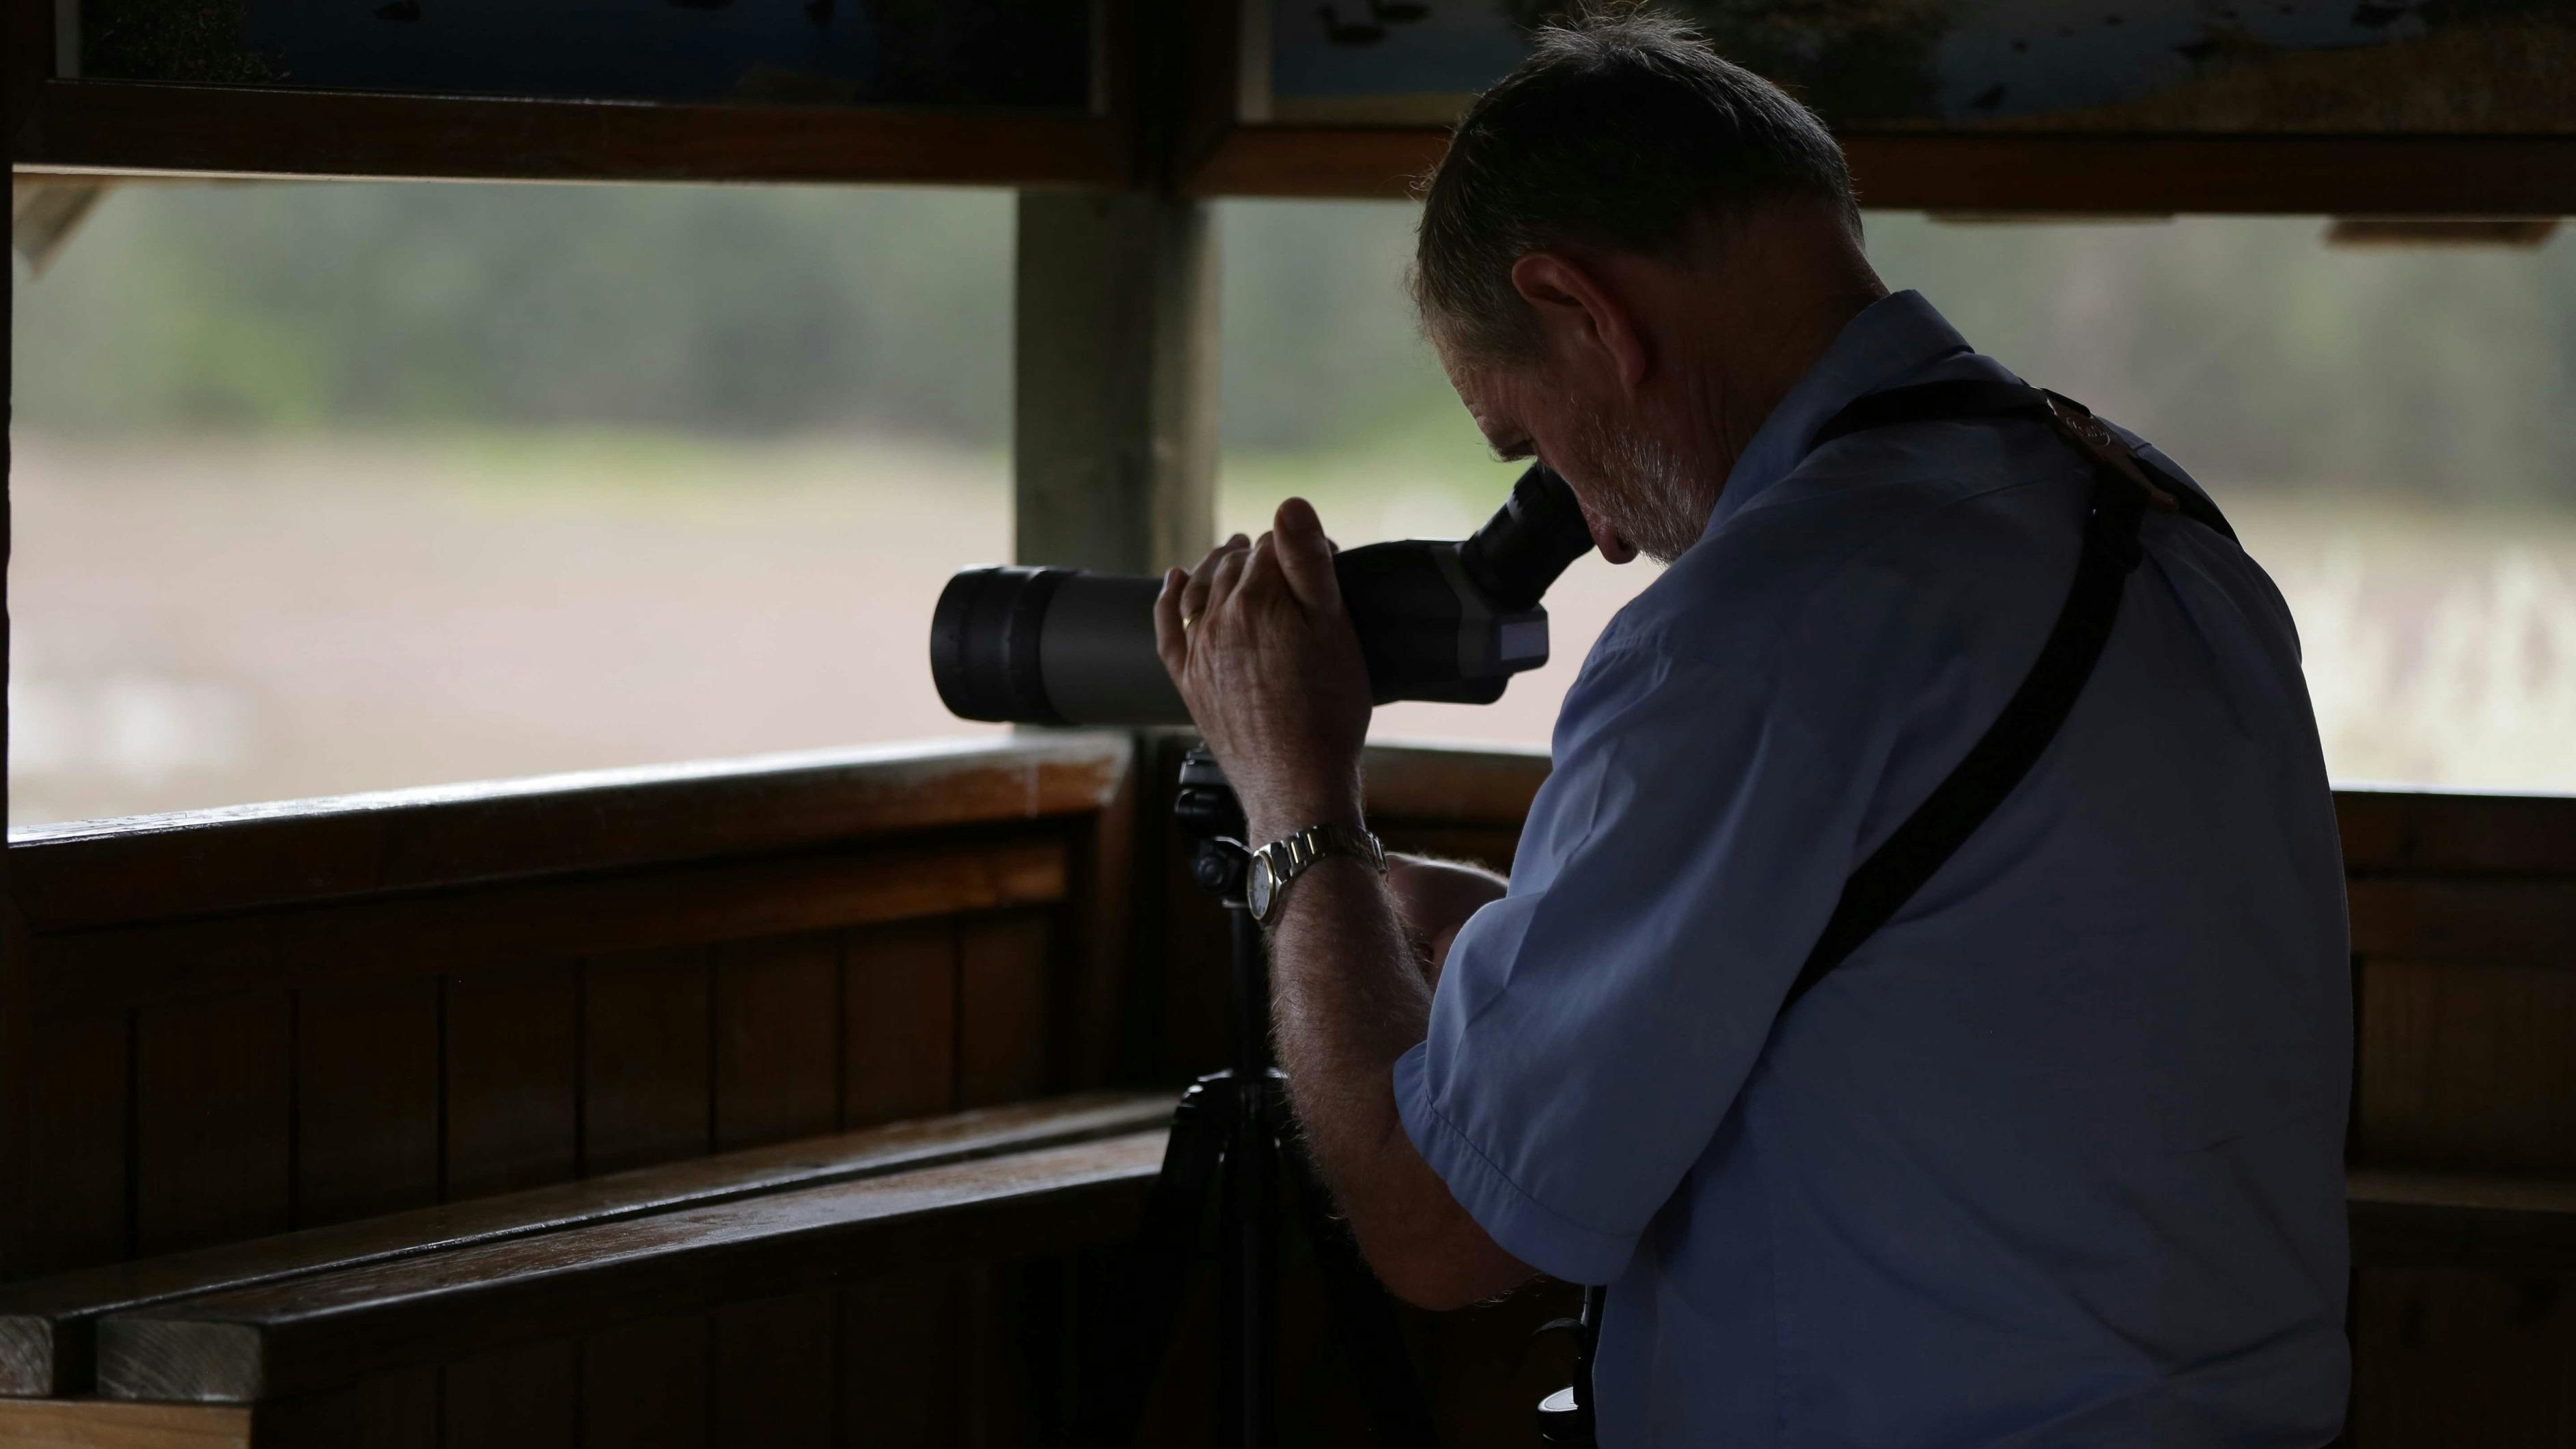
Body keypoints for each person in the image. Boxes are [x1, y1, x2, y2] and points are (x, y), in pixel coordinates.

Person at [1152, 10, 2352, 1446]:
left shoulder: (1744, 630)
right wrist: (1519, 946)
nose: (1592, 532)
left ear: (1583, 312)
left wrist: (1295, 796)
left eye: (1532, 445)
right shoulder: (2149, 517)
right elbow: (1970, 999)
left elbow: (1439, 1223)